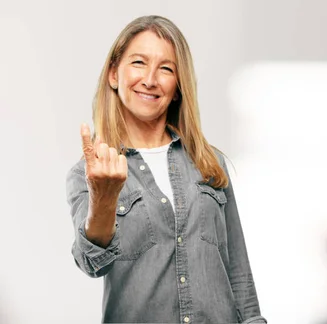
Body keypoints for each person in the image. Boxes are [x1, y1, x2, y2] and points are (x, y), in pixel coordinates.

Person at [66, 15, 266, 323]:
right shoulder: (88, 174)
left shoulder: (210, 164)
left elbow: (239, 275)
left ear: (177, 88)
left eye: (166, 68)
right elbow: (91, 263)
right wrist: (104, 198)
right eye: (138, 63)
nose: (150, 79)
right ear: (113, 74)